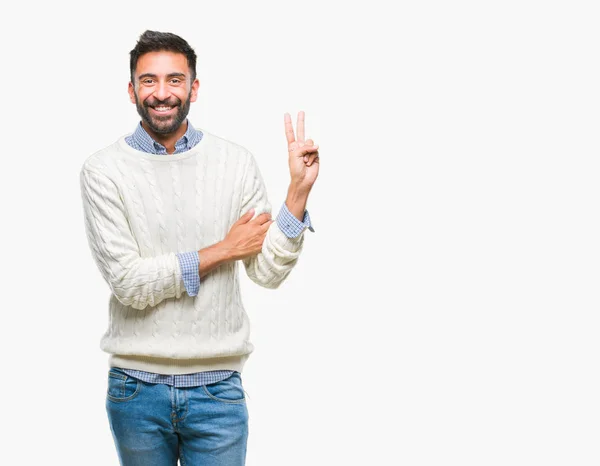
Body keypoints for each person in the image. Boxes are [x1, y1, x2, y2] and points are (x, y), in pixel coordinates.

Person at [79, 30, 320, 466]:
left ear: (194, 87)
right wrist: (223, 250)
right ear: (131, 90)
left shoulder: (235, 162)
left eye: (175, 79)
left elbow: (267, 272)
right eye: (148, 81)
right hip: (136, 389)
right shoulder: (103, 170)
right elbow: (129, 284)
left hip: (217, 390)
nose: (162, 93)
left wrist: (297, 194)